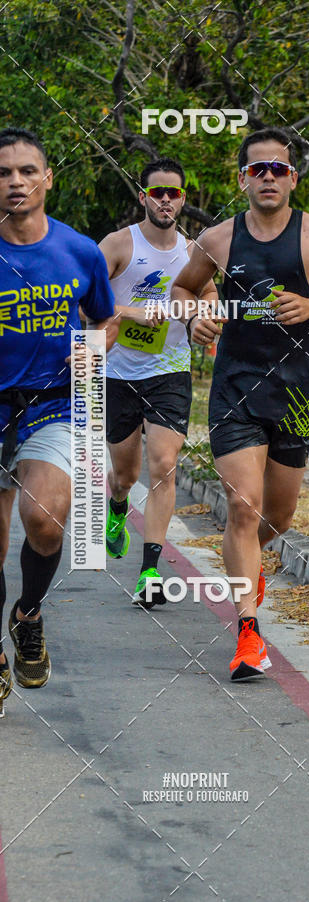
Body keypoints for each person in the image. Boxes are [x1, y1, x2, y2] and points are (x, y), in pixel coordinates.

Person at [171, 127, 309, 680]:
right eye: (259, 170)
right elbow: (183, 290)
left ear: (293, 178)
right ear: (243, 179)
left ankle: (246, 566)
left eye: (279, 169)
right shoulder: (219, 239)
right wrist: (194, 316)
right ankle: (248, 632)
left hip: (296, 389)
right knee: (242, 507)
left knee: (277, 516)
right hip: (235, 386)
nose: (269, 178)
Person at [0, 127, 115, 713]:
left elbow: (108, 319)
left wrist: (93, 347)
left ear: (46, 179)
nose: (15, 182)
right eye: (3, 174)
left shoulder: (79, 251)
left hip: (53, 404)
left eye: (26, 171)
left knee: (45, 519)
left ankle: (28, 614)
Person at [99, 158, 217, 607]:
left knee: (164, 465)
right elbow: (81, 294)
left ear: (183, 199)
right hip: (117, 372)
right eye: (157, 192)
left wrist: (206, 314)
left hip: (169, 368)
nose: (165, 200)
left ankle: (150, 571)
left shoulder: (192, 251)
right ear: (143, 196)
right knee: (127, 473)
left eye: (174, 193)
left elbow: (207, 292)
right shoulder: (117, 244)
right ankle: (116, 506)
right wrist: (129, 312)